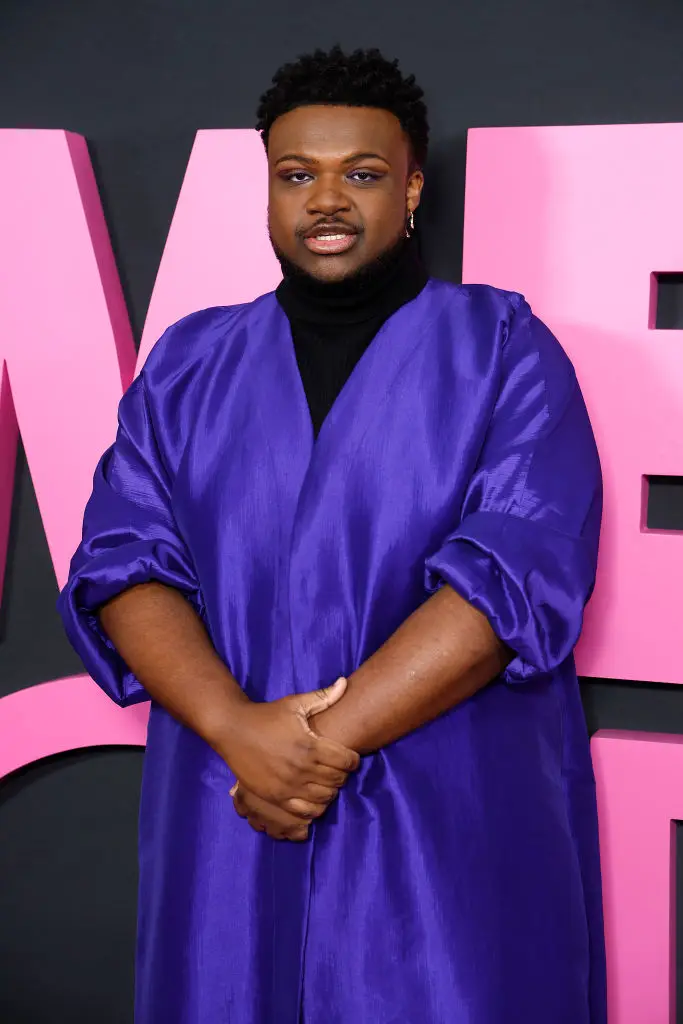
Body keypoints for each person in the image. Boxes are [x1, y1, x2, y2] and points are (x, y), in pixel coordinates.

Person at [58, 45, 607, 1024]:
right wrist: (238, 732)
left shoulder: (502, 351)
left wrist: (307, 748)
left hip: (443, 815)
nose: (326, 199)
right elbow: (122, 560)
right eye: (295, 173)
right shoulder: (188, 364)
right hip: (233, 810)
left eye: (360, 173)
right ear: (266, 188)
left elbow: (512, 573)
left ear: (410, 189)